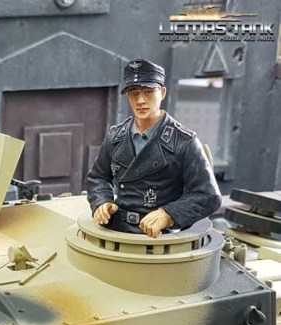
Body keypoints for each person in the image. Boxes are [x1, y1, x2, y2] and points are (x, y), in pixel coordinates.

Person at [85, 58, 222, 237]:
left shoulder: (184, 142)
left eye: (148, 92)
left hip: (160, 237)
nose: (140, 101)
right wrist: (102, 201)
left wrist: (169, 214)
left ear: (162, 92)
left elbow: (209, 196)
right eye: (134, 94)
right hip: (117, 230)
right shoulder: (116, 136)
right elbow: (97, 177)